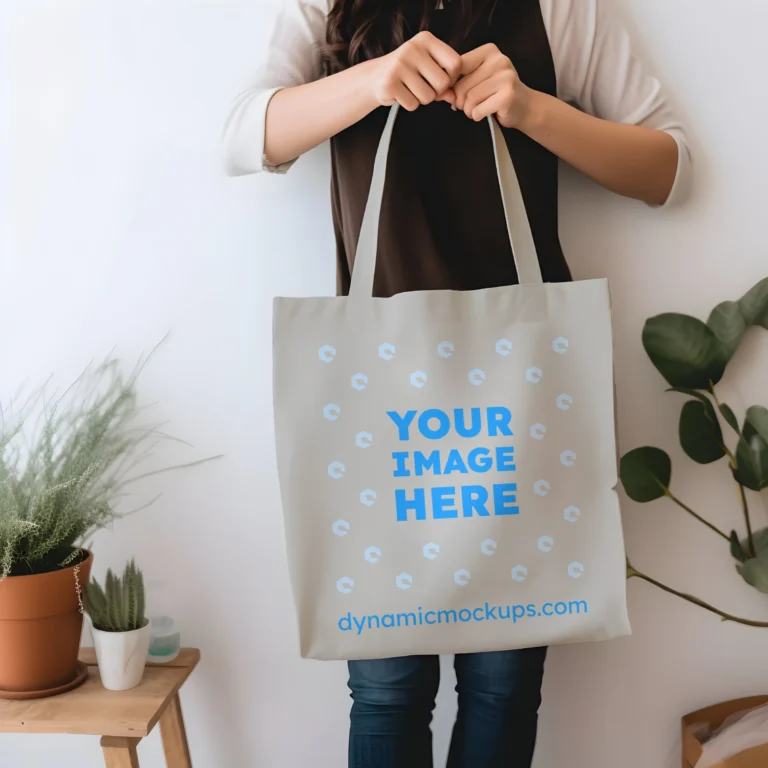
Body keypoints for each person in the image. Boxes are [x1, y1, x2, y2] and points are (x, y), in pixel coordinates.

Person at [223, 0, 690, 765]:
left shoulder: (560, 7)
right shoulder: (328, 4)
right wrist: (373, 81)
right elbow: (243, 138)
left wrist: (532, 109)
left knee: (504, 686)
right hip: (383, 405)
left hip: (523, 401)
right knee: (386, 690)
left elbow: (668, 170)